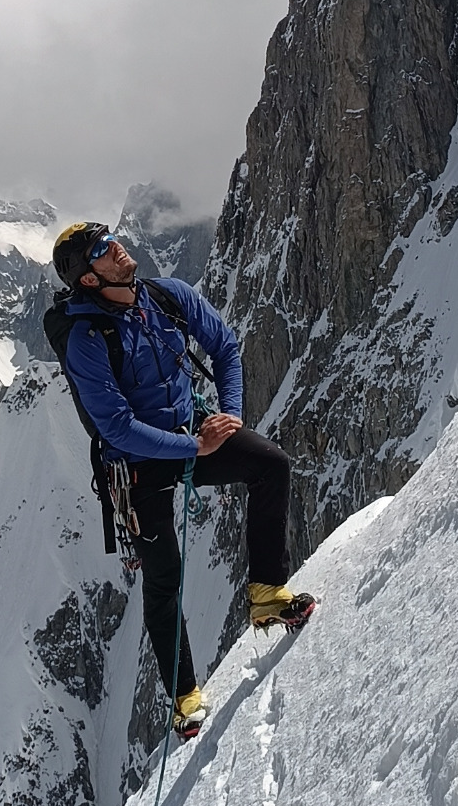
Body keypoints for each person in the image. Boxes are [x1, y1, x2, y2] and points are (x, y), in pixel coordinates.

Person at [49, 221, 314, 734]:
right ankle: (185, 697)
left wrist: (229, 416)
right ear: (87, 279)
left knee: (270, 464)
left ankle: (266, 592)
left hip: (190, 434)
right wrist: (197, 445)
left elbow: (225, 346)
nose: (117, 246)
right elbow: (118, 428)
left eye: (112, 237)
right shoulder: (86, 340)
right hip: (137, 463)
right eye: (101, 250)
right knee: (164, 577)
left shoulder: (167, 297)